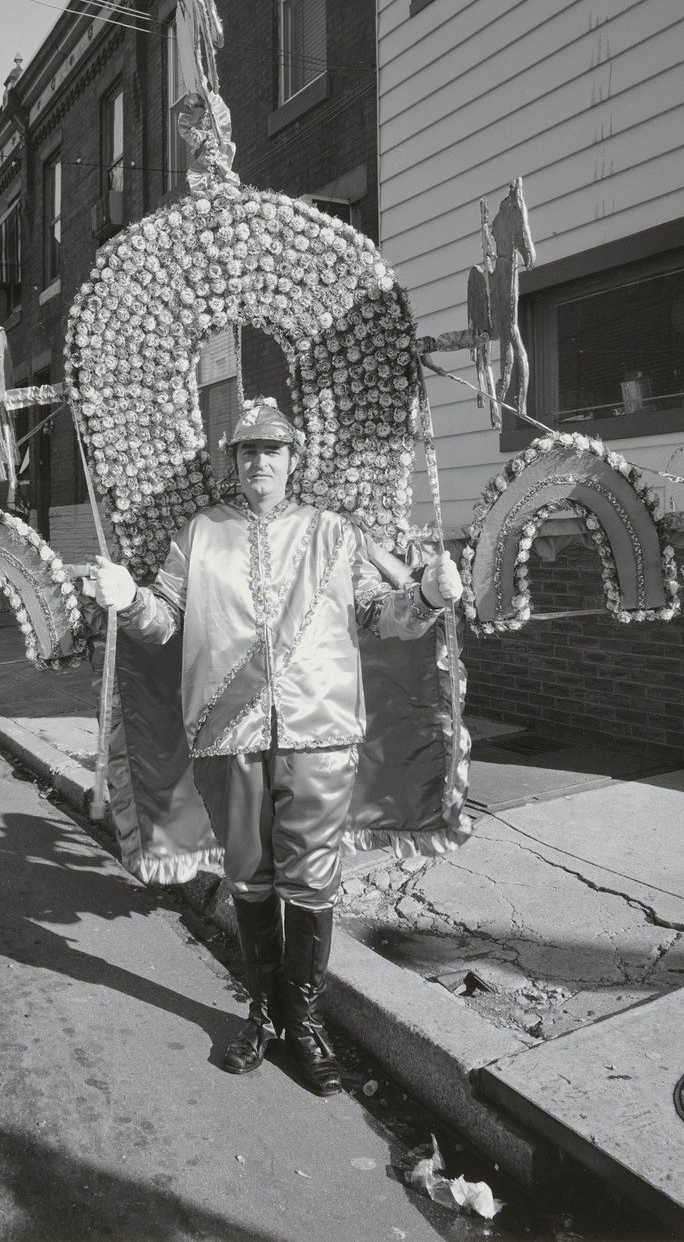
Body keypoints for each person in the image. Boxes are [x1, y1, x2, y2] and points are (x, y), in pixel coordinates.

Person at [93, 400, 461, 1096]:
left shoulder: (331, 534)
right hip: (225, 734)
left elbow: (383, 617)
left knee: (313, 881)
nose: (260, 461)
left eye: (272, 450)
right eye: (247, 451)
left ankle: (307, 1021)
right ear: (232, 463)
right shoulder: (199, 534)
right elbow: (163, 625)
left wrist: (429, 598)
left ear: (294, 461)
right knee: (251, 878)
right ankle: (263, 1015)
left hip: (319, 732)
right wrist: (128, 600)